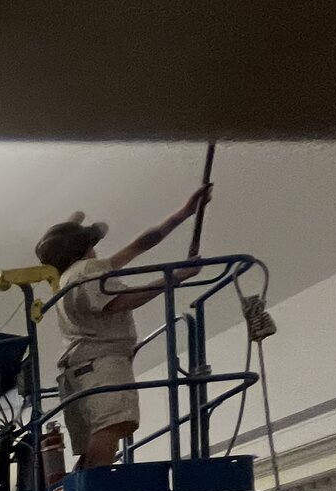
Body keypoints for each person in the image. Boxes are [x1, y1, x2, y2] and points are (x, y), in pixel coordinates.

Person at [36, 184, 212, 471]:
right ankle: (97, 487)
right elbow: (119, 302)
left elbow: (139, 246)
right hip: (101, 365)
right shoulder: (86, 271)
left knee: (97, 438)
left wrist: (184, 213)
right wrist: (176, 277)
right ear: (84, 248)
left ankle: (82, 486)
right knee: (110, 426)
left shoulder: (68, 279)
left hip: (79, 371)